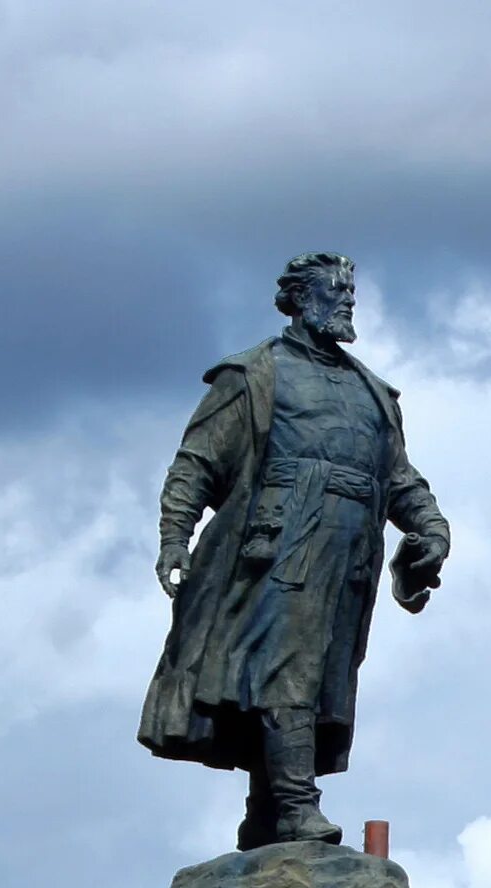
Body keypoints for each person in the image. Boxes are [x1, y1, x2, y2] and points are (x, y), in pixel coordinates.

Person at [140, 252, 449, 849]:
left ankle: (267, 810)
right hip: (281, 543)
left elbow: (400, 477)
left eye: (351, 292)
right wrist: (175, 536)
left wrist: (431, 528)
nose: (347, 301)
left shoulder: (372, 392)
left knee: (324, 677)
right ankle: (297, 804)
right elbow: (198, 461)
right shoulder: (256, 373)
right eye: (335, 291)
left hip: (352, 548)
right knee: (287, 668)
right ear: (300, 299)